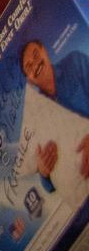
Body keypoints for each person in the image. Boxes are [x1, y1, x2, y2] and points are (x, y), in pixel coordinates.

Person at [22, 38, 89, 182]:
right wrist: (44, 172)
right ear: (29, 80)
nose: (35, 64)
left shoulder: (75, 63)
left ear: (45, 51)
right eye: (29, 66)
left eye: (36, 54)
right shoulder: (38, 116)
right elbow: (49, 187)